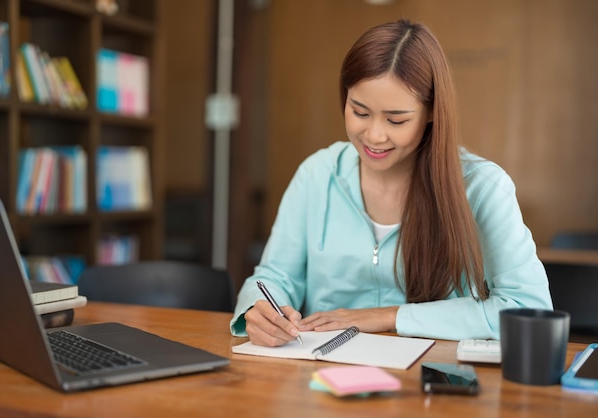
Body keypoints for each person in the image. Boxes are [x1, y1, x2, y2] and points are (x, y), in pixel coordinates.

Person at [229, 19, 552, 346]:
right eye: (359, 112)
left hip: (431, 380)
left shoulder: (482, 186)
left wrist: (389, 316)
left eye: (396, 119)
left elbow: (526, 307)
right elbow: (274, 277)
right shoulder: (317, 174)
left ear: (431, 113)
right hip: (322, 374)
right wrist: (258, 312)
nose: (374, 135)